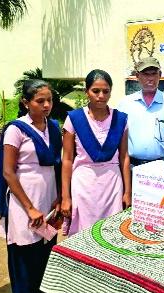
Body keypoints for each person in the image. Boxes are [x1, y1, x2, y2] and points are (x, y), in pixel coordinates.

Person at [0, 79, 62, 293]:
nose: (46, 105)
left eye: (49, 100)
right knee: (24, 257)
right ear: (25, 102)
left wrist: (59, 198)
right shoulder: (16, 129)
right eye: (40, 101)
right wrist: (30, 208)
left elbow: (57, 165)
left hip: (48, 199)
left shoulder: (53, 127)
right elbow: (8, 172)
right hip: (24, 201)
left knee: (44, 254)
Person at [61, 69, 131, 236]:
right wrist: (65, 197)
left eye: (106, 91)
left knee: (111, 232)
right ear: (86, 92)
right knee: (83, 232)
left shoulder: (121, 119)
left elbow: (124, 157)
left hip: (112, 184)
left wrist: (127, 191)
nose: (101, 95)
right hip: (84, 184)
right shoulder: (74, 118)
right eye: (95, 91)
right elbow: (67, 159)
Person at [117, 56, 164, 166]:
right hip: (131, 167)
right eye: (146, 74)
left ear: (160, 75)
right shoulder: (125, 104)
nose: (150, 78)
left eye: (154, 73)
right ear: (137, 76)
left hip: (161, 167)